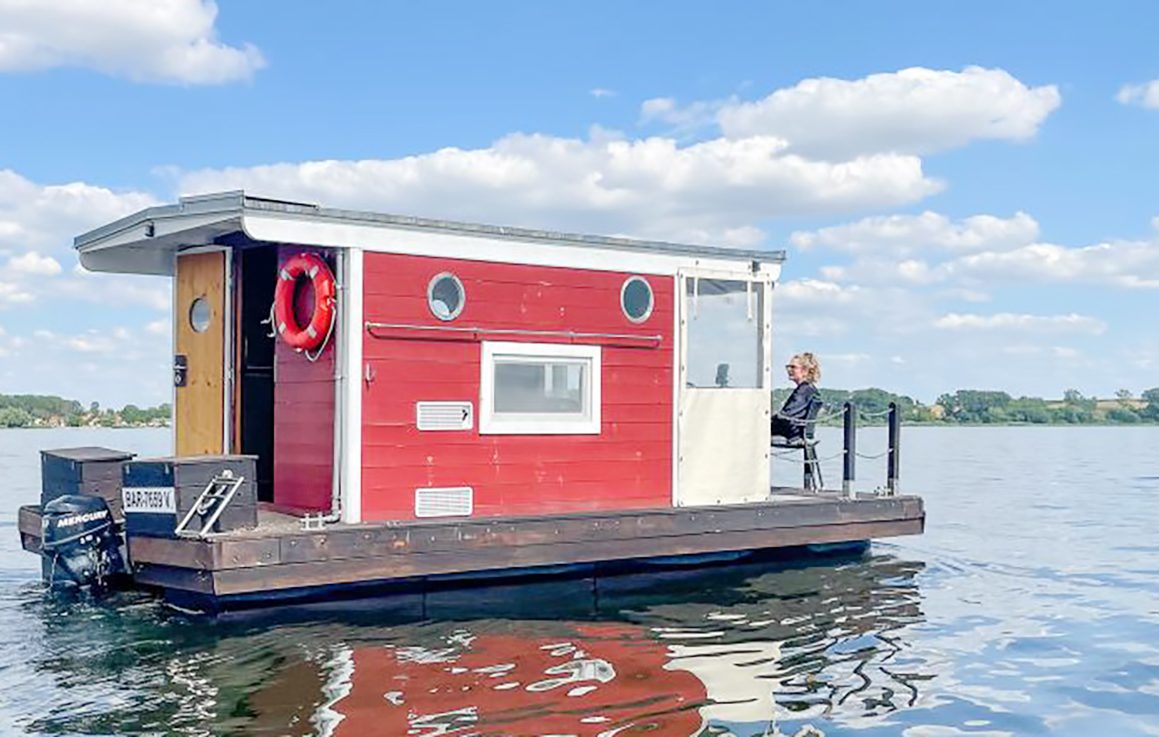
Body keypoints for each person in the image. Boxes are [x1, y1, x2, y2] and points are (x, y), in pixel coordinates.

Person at [771, 352, 821, 441]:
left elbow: (787, 414)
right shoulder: (809, 389)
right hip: (795, 430)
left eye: (793, 367)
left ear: (805, 371)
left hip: (792, 432)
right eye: (788, 367)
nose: (789, 370)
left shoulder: (804, 390)